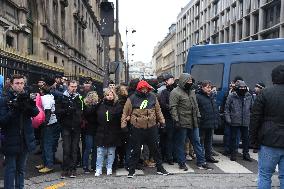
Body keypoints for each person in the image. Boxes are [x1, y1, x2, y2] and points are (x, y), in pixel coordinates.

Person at [121, 80, 169, 178]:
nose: (144, 90)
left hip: (151, 127)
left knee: (155, 149)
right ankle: (132, 170)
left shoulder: (153, 97)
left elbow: (158, 111)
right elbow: (125, 113)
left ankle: (160, 168)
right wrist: (124, 125)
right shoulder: (132, 98)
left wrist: (162, 122)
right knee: (136, 150)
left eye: (146, 88)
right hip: (137, 128)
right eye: (142, 88)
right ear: (139, 88)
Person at [0, 74, 39, 189]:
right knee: (10, 169)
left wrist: (30, 105)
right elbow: (2, 121)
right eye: (17, 83)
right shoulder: (4, 98)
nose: (20, 86)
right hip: (11, 139)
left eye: (22, 83)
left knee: (21, 170)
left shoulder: (26, 96)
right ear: (11, 84)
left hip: (25, 139)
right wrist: (14, 109)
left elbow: (35, 113)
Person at [250, 65, 284, 189]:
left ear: (273, 78)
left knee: (265, 175)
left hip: (269, 141)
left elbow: (255, 118)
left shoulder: (265, 93)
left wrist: (253, 140)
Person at [170, 73, 212, 171]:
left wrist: (198, 116)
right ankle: (181, 162)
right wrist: (176, 120)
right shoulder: (175, 92)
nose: (190, 83)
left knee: (197, 142)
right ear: (183, 81)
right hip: (182, 122)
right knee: (181, 143)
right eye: (188, 81)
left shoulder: (192, 92)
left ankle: (201, 162)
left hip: (193, 122)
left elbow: (196, 105)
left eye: (191, 81)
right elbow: (173, 108)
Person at [56, 80, 83, 179]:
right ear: (68, 86)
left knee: (74, 148)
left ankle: (73, 169)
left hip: (76, 126)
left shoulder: (79, 97)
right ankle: (65, 169)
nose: (74, 88)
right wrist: (67, 110)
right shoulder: (62, 96)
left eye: (75, 86)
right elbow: (58, 111)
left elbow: (82, 111)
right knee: (66, 148)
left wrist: (78, 116)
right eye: (72, 86)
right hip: (66, 126)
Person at [95, 89, 122, 176]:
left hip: (113, 131)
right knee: (100, 151)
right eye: (108, 95)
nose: (110, 96)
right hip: (101, 131)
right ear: (105, 96)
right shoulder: (101, 105)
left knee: (111, 152)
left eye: (111, 95)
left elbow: (118, 116)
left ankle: (109, 167)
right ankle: (98, 168)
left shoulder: (117, 106)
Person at [225, 80, 253, 161]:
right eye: (241, 87)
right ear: (237, 88)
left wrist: (250, 118)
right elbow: (227, 109)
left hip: (245, 121)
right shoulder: (231, 96)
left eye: (244, 87)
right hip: (234, 120)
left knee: (246, 139)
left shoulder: (249, 96)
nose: (242, 89)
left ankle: (246, 154)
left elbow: (252, 108)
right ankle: (233, 154)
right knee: (233, 138)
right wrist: (228, 119)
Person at [36, 85, 60, 174]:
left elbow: (48, 111)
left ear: (42, 91)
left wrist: (45, 123)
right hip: (53, 123)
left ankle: (49, 165)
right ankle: (45, 163)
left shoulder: (45, 98)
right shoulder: (50, 96)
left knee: (47, 145)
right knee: (44, 144)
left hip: (49, 125)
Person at [196, 80, 219, 163]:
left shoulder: (211, 96)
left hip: (210, 123)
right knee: (201, 141)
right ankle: (201, 158)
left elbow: (214, 109)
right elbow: (196, 110)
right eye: (207, 87)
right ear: (202, 87)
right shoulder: (198, 96)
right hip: (202, 123)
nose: (209, 89)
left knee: (209, 141)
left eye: (210, 87)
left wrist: (216, 120)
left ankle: (208, 156)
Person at [159, 73, 176, 165]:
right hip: (167, 118)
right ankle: (165, 156)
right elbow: (162, 104)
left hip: (173, 118)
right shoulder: (164, 92)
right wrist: (171, 107)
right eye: (171, 79)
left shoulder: (176, 90)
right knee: (166, 138)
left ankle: (170, 156)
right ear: (166, 81)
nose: (172, 80)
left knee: (171, 138)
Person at [82, 91, 99, 173]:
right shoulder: (86, 106)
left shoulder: (97, 106)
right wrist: (95, 106)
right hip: (89, 130)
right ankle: (85, 166)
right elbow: (88, 113)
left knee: (95, 149)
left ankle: (93, 165)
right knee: (88, 148)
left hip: (94, 130)